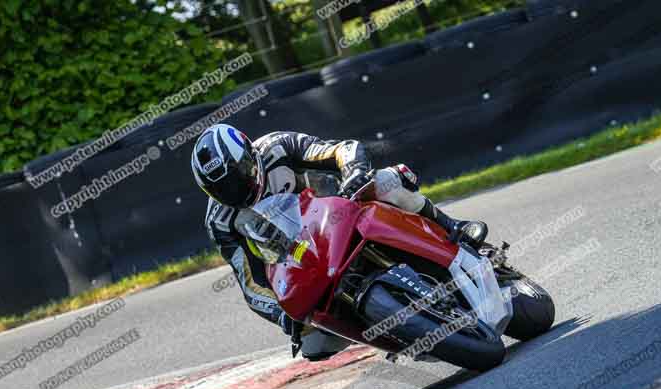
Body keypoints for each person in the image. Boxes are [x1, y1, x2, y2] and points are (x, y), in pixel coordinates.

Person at [192, 124, 488, 360]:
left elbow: (339, 149)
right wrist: (284, 316)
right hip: (300, 257)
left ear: (248, 156)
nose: (236, 190)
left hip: (338, 209)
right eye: (223, 189)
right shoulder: (219, 222)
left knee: (388, 181)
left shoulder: (276, 146)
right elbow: (250, 284)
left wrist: (354, 171)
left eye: (239, 176)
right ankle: (399, 333)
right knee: (315, 345)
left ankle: (452, 226)